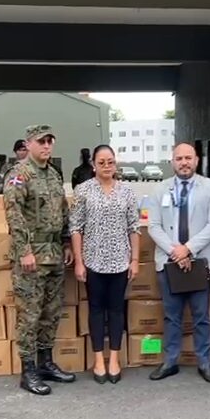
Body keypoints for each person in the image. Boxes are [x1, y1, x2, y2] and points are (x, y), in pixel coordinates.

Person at [3, 124, 75, 396]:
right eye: (41, 141)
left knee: (51, 312)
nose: (46, 146)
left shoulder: (53, 174)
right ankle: (28, 371)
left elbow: (63, 210)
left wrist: (66, 242)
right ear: (29, 144)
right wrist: (24, 251)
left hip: (53, 252)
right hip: (31, 254)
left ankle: (46, 363)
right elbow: (14, 214)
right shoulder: (19, 174)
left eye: (49, 141)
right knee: (29, 315)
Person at [146, 143, 210, 383]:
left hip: (200, 262)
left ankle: (204, 362)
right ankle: (170, 361)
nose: (184, 163)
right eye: (179, 158)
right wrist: (176, 252)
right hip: (169, 262)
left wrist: (188, 249)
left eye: (188, 158)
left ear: (196, 160)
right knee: (171, 316)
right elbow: (154, 226)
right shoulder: (159, 189)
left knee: (201, 315)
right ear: (172, 161)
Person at [70, 145, 139, 385]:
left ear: (115, 163)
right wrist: (79, 262)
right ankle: (99, 359)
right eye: (101, 162)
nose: (107, 166)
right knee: (97, 310)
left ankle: (114, 359)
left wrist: (135, 260)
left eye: (110, 162)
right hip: (93, 261)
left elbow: (134, 228)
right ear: (93, 165)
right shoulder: (83, 190)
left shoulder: (126, 191)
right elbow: (76, 228)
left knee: (117, 310)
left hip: (120, 261)